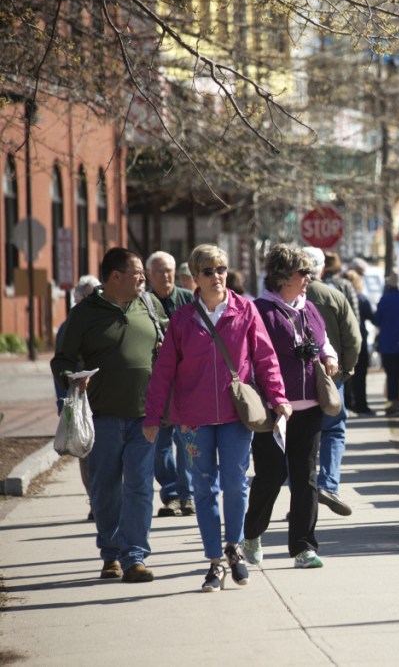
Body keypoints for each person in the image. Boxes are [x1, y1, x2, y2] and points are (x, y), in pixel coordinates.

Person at [144, 245, 290, 592]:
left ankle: (235, 549)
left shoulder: (245, 310)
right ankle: (214, 562)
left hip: (234, 415)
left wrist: (279, 398)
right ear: (195, 277)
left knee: (235, 484)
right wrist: (152, 416)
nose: (216, 276)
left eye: (221, 268)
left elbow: (266, 359)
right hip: (192, 419)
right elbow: (163, 371)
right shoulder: (182, 319)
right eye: (208, 271)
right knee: (204, 490)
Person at [51, 247, 166, 582]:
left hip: (145, 415)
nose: (144, 278)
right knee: (106, 488)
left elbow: (167, 345)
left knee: (141, 485)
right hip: (102, 416)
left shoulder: (148, 304)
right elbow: (62, 360)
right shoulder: (85, 313)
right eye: (138, 273)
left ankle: (135, 557)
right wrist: (71, 380)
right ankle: (111, 553)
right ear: (116, 277)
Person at [243, 244, 339, 569]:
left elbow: (324, 341)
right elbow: (253, 357)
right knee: (271, 475)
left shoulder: (308, 308)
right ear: (284, 276)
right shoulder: (260, 311)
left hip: (310, 407)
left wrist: (329, 357)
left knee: (305, 478)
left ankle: (303, 547)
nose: (308, 277)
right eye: (303, 271)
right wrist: (273, 399)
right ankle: (252, 533)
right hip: (274, 410)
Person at [302, 246, 361, 518]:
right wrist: (346, 371)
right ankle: (328, 484)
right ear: (322, 269)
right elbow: (354, 339)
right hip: (330, 377)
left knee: (300, 436)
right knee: (334, 430)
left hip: (295, 381)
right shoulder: (334, 295)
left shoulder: (287, 297)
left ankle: (302, 495)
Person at [146, 250, 196, 519]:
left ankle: (188, 495)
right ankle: (171, 494)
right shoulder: (144, 303)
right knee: (160, 442)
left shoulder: (188, 299)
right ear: (149, 275)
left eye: (169, 271)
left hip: (186, 383)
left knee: (187, 439)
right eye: (159, 271)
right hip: (156, 383)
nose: (166, 276)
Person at [54, 274, 101, 520]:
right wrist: (63, 401)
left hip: (106, 397)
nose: (92, 300)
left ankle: (108, 499)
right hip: (80, 398)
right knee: (86, 450)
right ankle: (95, 500)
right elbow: (60, 365)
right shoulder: (68, 326)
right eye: (86, 296)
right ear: (77, 299)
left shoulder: (105, 319)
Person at [373, 271, 399, 415]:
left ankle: (393, 403)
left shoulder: (385, 298)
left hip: (388, 344)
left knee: (392, 376)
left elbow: (377, 320)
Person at [344, 268, 376, 415]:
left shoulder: (342, 298)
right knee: (360, 376)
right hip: (360, 341)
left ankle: (348, 404)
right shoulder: (362, 298)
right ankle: (361, 406)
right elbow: (374, 318)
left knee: (346, 376)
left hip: (344, 341)